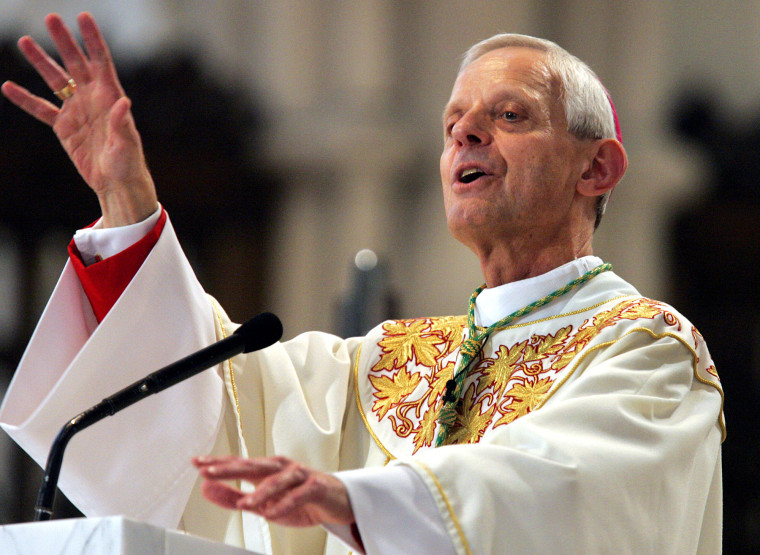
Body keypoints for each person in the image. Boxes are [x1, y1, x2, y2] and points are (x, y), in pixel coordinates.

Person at [0, 12, 724, 555]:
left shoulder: (647, 349)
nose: (465, 136)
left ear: (596, 169)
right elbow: (217, 396)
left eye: (508, 116)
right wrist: (128, 202)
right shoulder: (384, 361)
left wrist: (361, 500)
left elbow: (571, 490)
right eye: (451, 125)